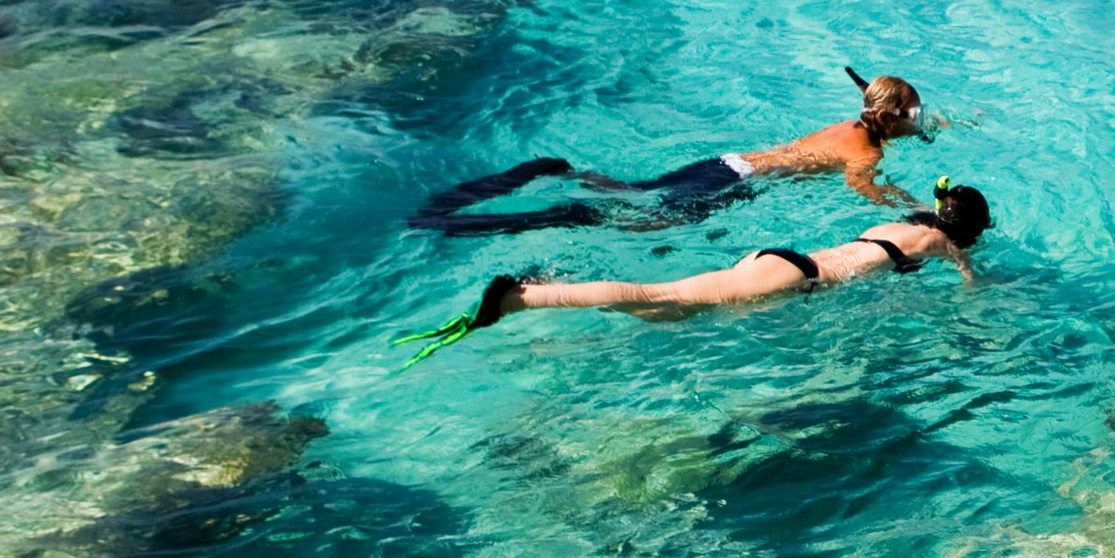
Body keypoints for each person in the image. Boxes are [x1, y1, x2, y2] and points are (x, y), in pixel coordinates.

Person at [396, 182, 991, 357]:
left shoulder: (898, 224)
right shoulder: (936, 241)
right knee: (658, 293)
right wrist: (980, 291)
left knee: (669, 315)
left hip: (780, 261)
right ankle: (523, 297)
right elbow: (965, 273)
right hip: (792, 280)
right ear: (962, 228)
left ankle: (543, 297)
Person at [412, 68, 936, 237]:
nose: (921, 121)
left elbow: (881, 116)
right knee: (644, 223)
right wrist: (908, 208)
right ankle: (559, 213)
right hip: (737, 183)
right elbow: (858, 184)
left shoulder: (849, 123)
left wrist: (943, 123)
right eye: (916, 114)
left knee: (634, 191)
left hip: (724, 162)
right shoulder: (867, 153)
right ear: (891, 120)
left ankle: (559, 171)